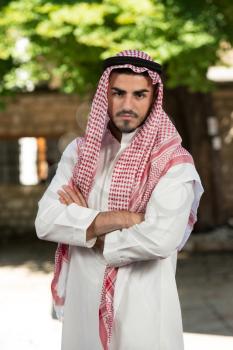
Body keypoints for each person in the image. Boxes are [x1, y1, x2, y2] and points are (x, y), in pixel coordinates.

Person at [35, 49, 203, 350]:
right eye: (118, 93)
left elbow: (160, 239)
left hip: (144, 307)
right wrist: (119, 219)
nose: (127, 105)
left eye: (139, 95)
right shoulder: (79, 153)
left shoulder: (174, 164)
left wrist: (86, 224)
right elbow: (46, 221)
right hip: (83, 303)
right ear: (105, 95)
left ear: (153, 98)